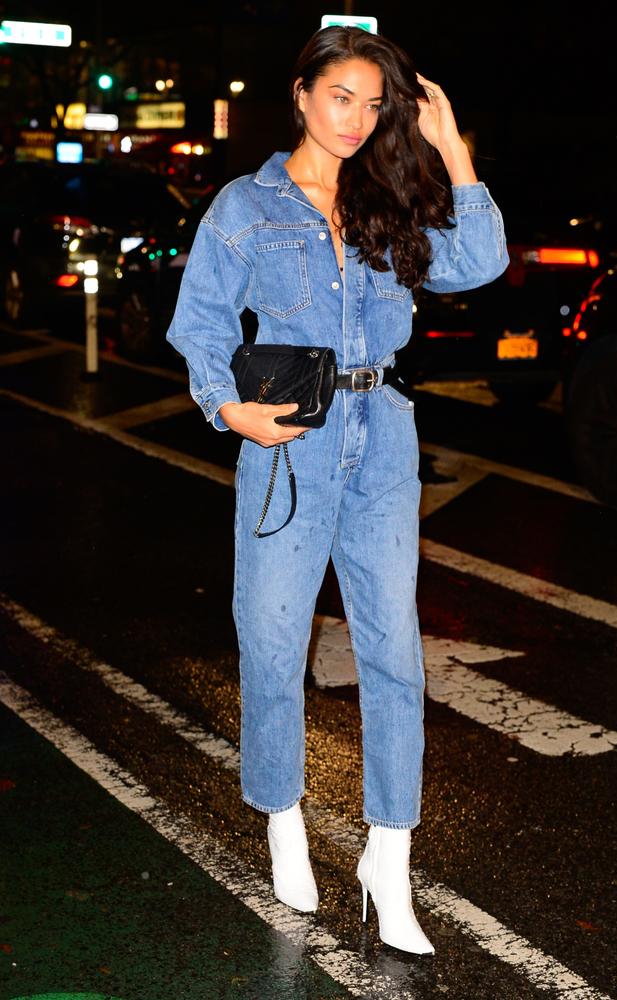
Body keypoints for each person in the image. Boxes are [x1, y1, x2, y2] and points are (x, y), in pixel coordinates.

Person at [167, 24, 508, 955]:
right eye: (341, 97)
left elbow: (480, 264)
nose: (356, 119)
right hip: (288, 443)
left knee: (394, 647)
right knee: (274, 636)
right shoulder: (246, 205)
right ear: (302, 95)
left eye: (373, 102)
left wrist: (452, 149)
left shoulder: (387, 196)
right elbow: (197, 324)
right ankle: (282, 818)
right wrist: (225, 409)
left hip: (383, 436)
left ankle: (387, 859)